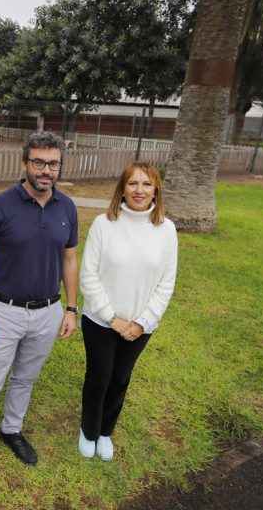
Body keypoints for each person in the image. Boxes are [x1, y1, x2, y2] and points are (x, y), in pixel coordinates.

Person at [0, 131, 79, 493]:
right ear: (25, 163)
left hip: (48, 312)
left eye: (53, 164)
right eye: (38, 162)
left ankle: (11, 431)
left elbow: (69, 260)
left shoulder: (67, 208)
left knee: (25, 379)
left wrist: (72, 308)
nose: (46, 170)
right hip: (4, 312)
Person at [77, 161, 178, 461]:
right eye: (132, 183)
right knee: (99, 378)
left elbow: (166, 283)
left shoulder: (167, 230)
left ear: (156, 190)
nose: (139, 190)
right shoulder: (103, 224)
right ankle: (89, 430)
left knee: (121, 378)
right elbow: (88, 275)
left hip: (140, 325)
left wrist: (143, 322)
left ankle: (105, 432)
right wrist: (112, 318)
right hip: (101, 320)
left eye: (146, 184)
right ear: (122, 189)